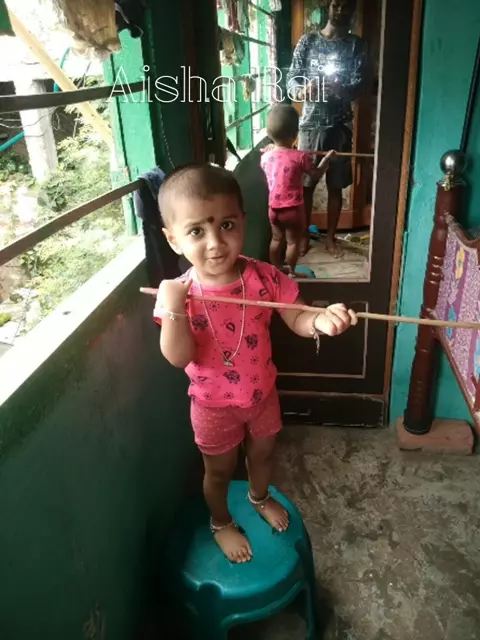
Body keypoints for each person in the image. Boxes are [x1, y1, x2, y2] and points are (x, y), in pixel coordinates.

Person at [153, 163, 357, 563]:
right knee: (218, 471)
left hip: (262, 394)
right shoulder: (179, 294)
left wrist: (319, 320)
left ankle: (259, 497)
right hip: (212, 406)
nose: (215, 243)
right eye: (196, 231)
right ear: (173, 239)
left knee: (262, 456)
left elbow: (297, 316)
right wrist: (174, 307)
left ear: (244, 221)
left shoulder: (263, 278)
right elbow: (178, 357)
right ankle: (220, 522)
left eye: (227, 225)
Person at [286, 0, 368, 258]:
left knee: (336, 185)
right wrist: (302, 91)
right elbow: (291, 80)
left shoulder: (357, 45)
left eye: (347, 6)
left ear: (353, 10)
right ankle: (302, 237)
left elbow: (361, 86)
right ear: (328, 6)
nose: (341, 11)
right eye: (336, 5)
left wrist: (342, 89)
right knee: (306, 186)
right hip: (310, 124)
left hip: (341, 125)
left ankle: (331, 238)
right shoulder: (308, 41)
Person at [260, 104, 335, 275]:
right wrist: (326, 160)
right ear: (295, 135)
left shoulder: (266, 157)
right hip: (293, 209)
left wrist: (271, 148)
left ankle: (276, 270)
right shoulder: (300, 157)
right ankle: (292, 272)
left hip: (273, 209)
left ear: (269, 133)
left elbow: (274, 158)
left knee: (276, 239)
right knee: (292, 242)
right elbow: (315, 175)